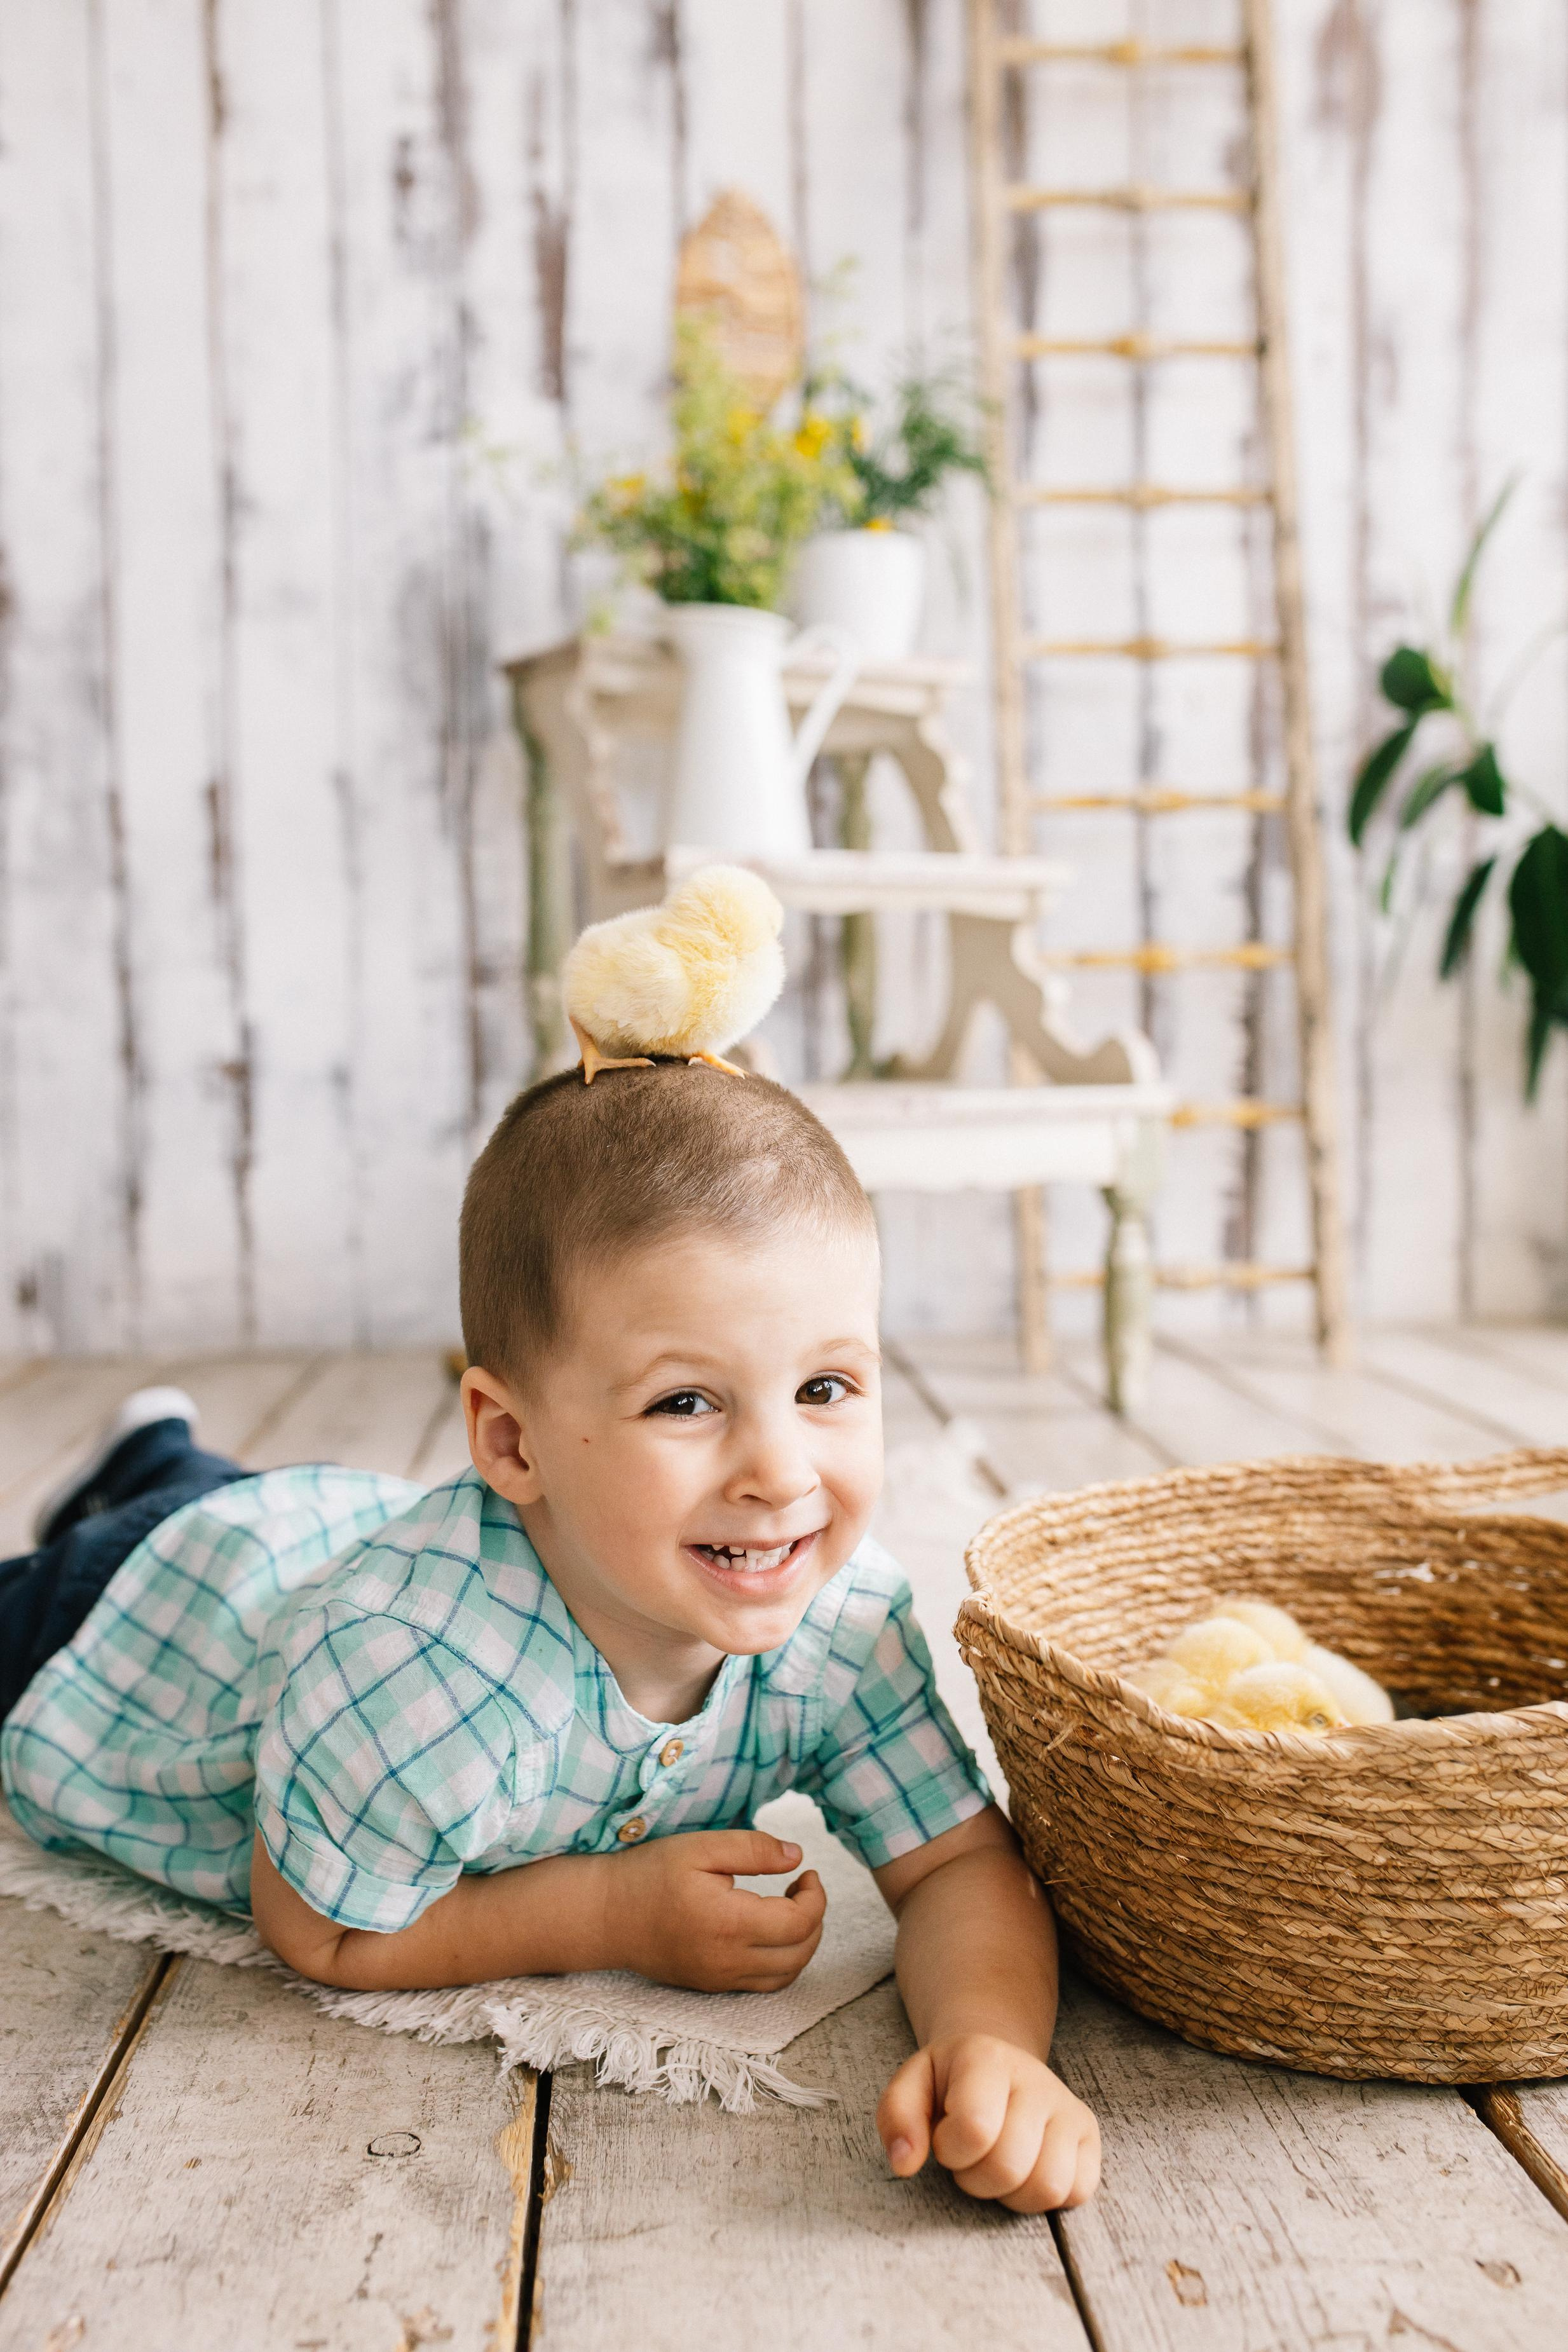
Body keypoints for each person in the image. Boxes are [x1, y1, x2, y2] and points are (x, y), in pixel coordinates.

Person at [1, 1062, 1100, 2214]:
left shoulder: (842, 1625)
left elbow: (957, 1863)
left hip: (319, 1530)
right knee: (157, 1532)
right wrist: (612, 1912)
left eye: (825, 1387)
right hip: (138, 1610)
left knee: (202, 1488)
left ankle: (158, 1455)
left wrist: (992, 2041)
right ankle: (151, 1484)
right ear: (512, 1443)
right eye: (686, 1402)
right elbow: (316, 1929)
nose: (781, 1475)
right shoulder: (420, 1675)